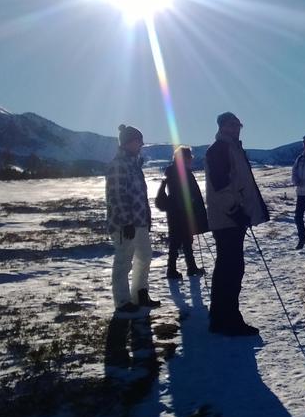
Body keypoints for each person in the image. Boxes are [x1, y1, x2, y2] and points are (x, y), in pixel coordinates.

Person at [204, 112, 271, 336]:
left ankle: (221, 317)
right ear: (223, 127)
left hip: (232, 219)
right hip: (227, 219)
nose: (236, 128)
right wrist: (235, 211)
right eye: (232, 125)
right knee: (230, 269)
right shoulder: (220, 149)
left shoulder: (233, 149)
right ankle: (228, 319)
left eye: (238, 125)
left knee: (228, 268)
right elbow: (221, 186)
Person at [106, 124, 158, 314]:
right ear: (128, 143)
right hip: (124, 223)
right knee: (123, 261)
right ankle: (122, 301)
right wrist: (126, 221)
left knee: (145, 256)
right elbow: (117, 195)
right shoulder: (118, 165)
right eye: (138, 142)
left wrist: (146, 217)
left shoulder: (135, 165)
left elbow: (140, 195)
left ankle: (140, 294)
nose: (141, 145)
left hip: (140, 221)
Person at [156, 145, 208, 279]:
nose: (190, 159)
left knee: (183, 240)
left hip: (176, 212)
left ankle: (187, 268)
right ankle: (175, 269)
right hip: (181, 213)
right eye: (189, 157)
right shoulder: (180, 173)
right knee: (179, 240)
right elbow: (182, 193)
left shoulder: (174, 172)